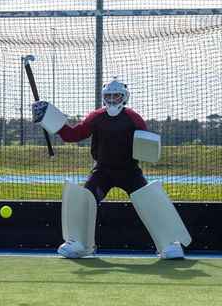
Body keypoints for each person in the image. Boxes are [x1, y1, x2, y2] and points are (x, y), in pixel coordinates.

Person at [31, 77, 191, 259]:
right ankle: (80, 244)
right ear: (104, 97)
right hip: (103, 172)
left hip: (129, 171)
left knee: (149, 201)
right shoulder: (96, 117)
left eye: (117, 95)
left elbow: (147, 147)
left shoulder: (134, 118)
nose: (113, 99)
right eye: (109, 96)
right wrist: (47, 118)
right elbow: (73, 135)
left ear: (124, 97)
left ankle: (169, 243)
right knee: (85, 201)